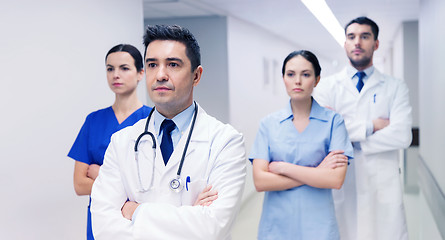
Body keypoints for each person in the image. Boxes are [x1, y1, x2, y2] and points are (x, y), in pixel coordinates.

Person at [90, 24, 246, 240]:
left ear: (196, 76)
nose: (160, 75)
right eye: (152, 64)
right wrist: (191, 215)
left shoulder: (225, 141)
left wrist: (135, 211)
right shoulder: (122, 142)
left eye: (173, 64)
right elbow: (104, 228)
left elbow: (212, 228)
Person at [313, 16, 413, 240]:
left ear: (376, 44)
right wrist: (371, 126)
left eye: (365, 36)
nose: (357, 42)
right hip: (341, 182)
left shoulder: (395, 87)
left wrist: (348, 137)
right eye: (351, 37)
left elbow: (402, 136)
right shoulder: (326, 88)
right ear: (345, 43)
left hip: (382, 183)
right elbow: (322, 134)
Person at [250, 50, 353, 240]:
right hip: (277, 226)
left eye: (305, 74)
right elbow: (260, 182)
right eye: (291, 74)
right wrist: (318, 171)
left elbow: (335, 180)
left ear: (317, 79)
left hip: (319, 226)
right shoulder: (268, 124)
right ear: (283, 79)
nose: (297, 81)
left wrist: (283, 168)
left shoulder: (333, 122)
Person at [68, 44, 152, 240]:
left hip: (137, 218)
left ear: (140, 73)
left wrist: (101, 175)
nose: (116, 75)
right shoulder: (93, 120)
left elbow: (153, 186)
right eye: (110, 68)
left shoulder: (153, 120)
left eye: (124, 68)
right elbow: (79, 184)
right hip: (99, 217)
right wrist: (125, 185)